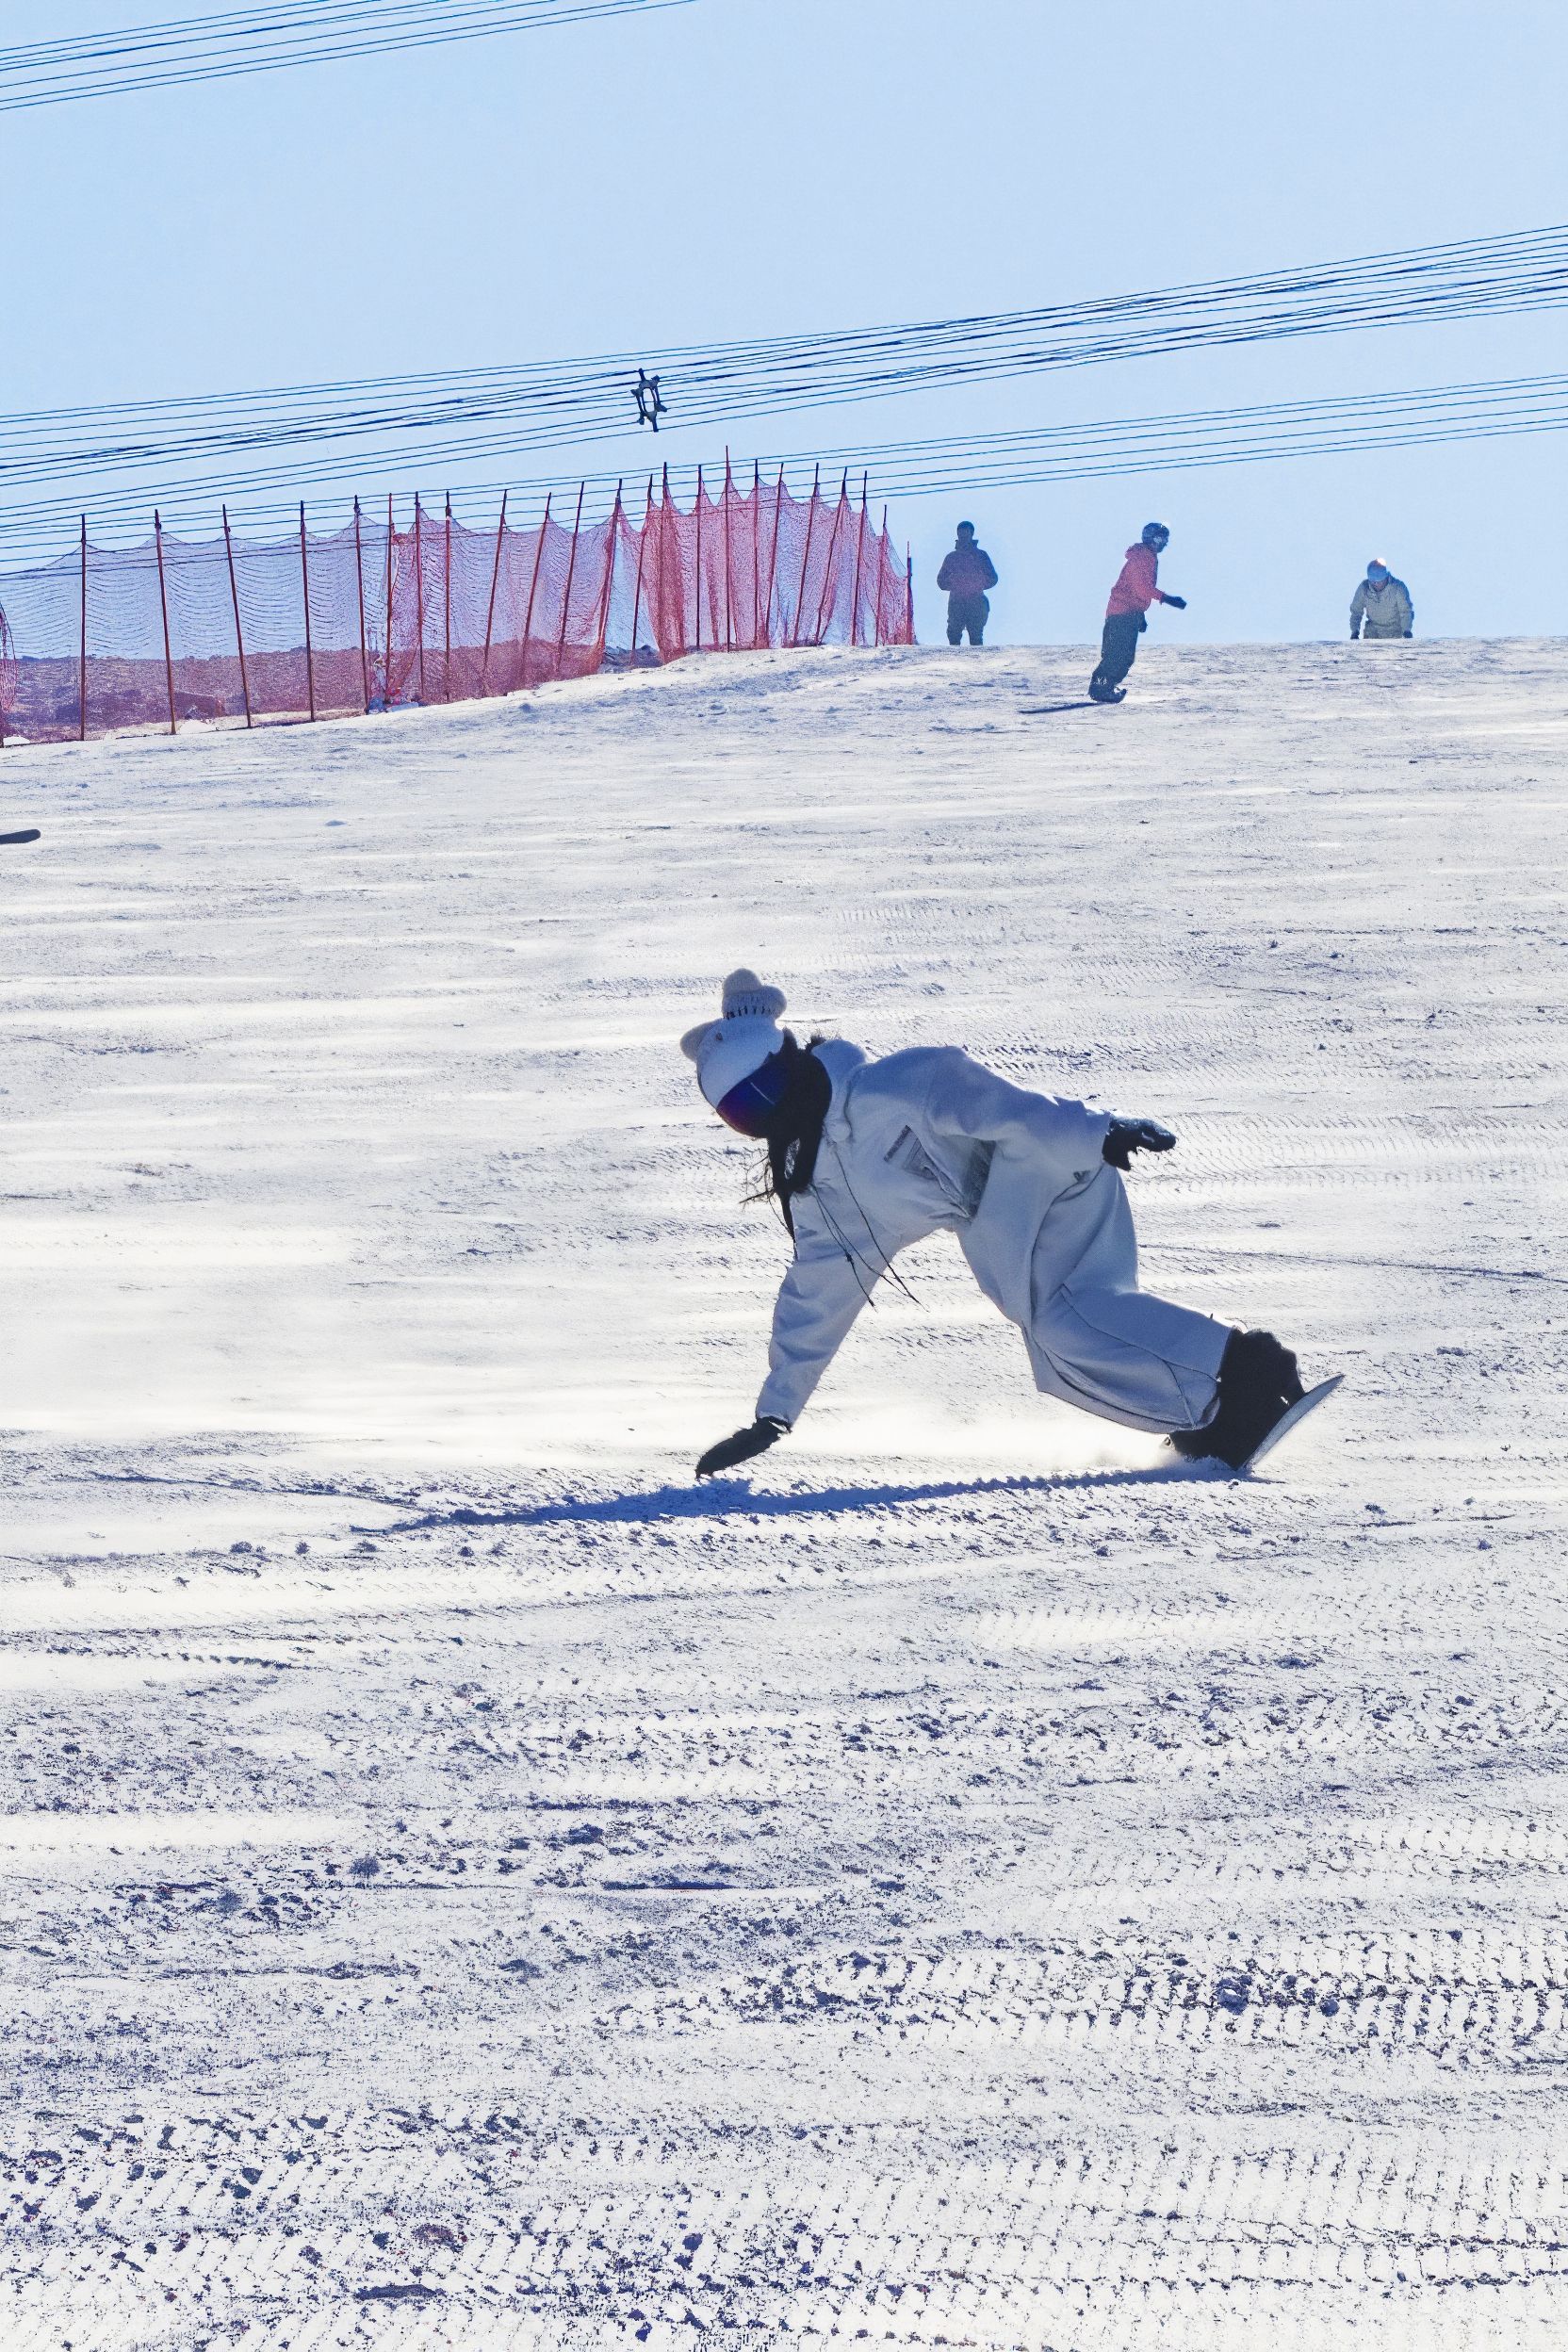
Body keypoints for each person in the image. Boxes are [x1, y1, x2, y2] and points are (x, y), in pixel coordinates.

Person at [681, 970, 1315, 1478]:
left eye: (761, 1095)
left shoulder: (893, 1088)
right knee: (1060, 1346)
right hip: (1002, 1223)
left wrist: (1097, 1131)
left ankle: (1249, 1367)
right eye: (741, 1115)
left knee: (1065, 1320)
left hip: (1044, 1169)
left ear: (786, 1064)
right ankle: (1211, 1413)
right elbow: (816, 1298)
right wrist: (775, 1414)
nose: (764, 1120)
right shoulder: (825, 1194)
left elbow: (1007, 1108)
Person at [1088, 522, 1186, 703]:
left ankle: (1104, 688)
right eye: (1161, 538)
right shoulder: (1142, 557)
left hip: (1125, 613)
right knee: (1117, 656)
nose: (1165, 542)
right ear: (1152, 539)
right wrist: (1167, 599)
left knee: (1123, 656)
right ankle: (1100, 689)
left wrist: (1140, 615)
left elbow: (1135, 590)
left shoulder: (1146, 556)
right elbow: (1141, 588)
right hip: (1122, 614)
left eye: (1166, 539)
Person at [937, 522, 999, 645]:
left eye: (966, 532)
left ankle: (976, 658)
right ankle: (953, 658)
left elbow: (993, 578)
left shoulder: (981, 556)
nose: (963, 535)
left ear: (972, 534)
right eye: (961, 532)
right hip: (956, 602)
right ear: (957, 534)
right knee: (954, 635)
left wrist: (978, 584)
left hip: (976, 601)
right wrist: (955, 584)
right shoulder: (951, 558)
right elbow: (941, 581)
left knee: (976, 636)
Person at [1349, 559, 1413, 640]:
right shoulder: (1364, 588)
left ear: (1386, 578)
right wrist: (1355, 631)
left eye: (1379, 581)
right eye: (1373, 582)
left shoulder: (1398, 587)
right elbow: (1356, 612)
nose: (1376, 584)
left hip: (1395, 635)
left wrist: (1407, 631)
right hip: (1372, 635)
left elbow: (1406, 611)